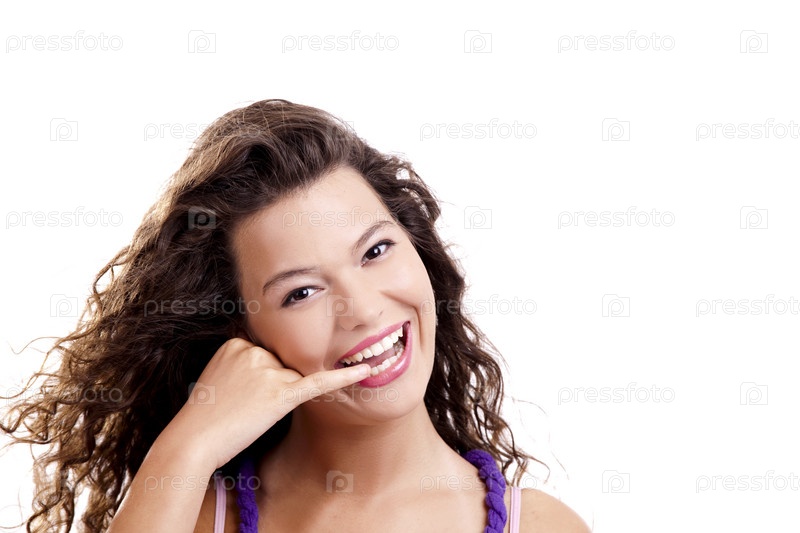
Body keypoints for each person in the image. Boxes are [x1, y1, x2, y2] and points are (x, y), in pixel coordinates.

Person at [2, 99, 590, 532]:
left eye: (376, 251)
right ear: (245, 335)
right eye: (301, 292)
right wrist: (188, 446)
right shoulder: (198, 517)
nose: (363, 309)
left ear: (420, 249)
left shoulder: (540, 526)